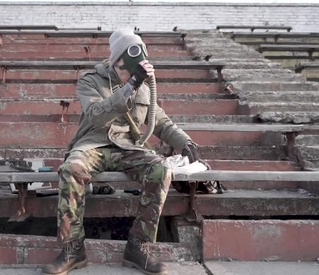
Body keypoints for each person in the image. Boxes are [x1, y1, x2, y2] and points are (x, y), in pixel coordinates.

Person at [42, 28, 200, 275]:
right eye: (125, 71)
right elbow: (95, 116)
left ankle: (138, 246)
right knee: (71, 169)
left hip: (127, 146)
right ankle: (73, 249)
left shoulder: (145, 87)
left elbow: (160, 121)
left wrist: (185, 142)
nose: (129, 76)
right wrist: (130, 86)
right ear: (116, 61)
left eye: (132, 73)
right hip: (94, 144)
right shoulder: (90, 80)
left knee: (160, 169)